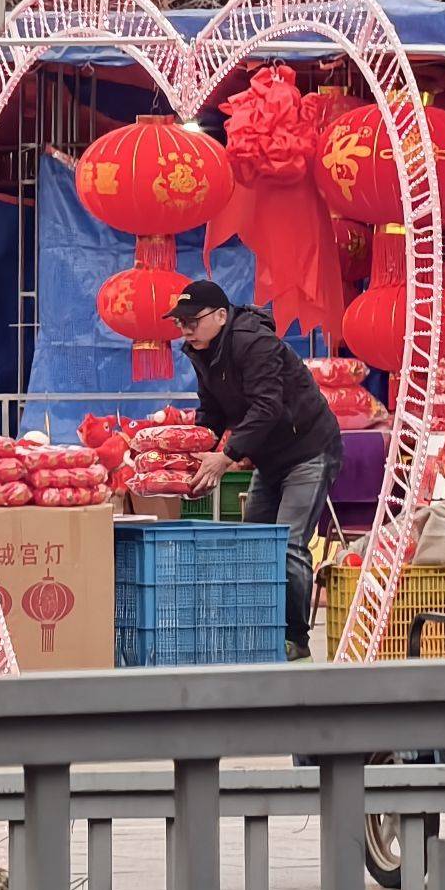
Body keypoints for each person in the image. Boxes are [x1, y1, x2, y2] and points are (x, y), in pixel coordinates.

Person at [168, 279, 342, 659]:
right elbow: (211, 412)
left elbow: (268, 406)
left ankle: (296, 639)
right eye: (180, 323)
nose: (185, 330)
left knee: (289, 545)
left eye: (192, 321)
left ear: (220, 316)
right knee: (254, 545)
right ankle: (261, 633)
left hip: (309, 449)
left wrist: (226, 456)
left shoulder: (253, 341)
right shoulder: (201, 351)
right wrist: (193, 453)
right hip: (270, 457)